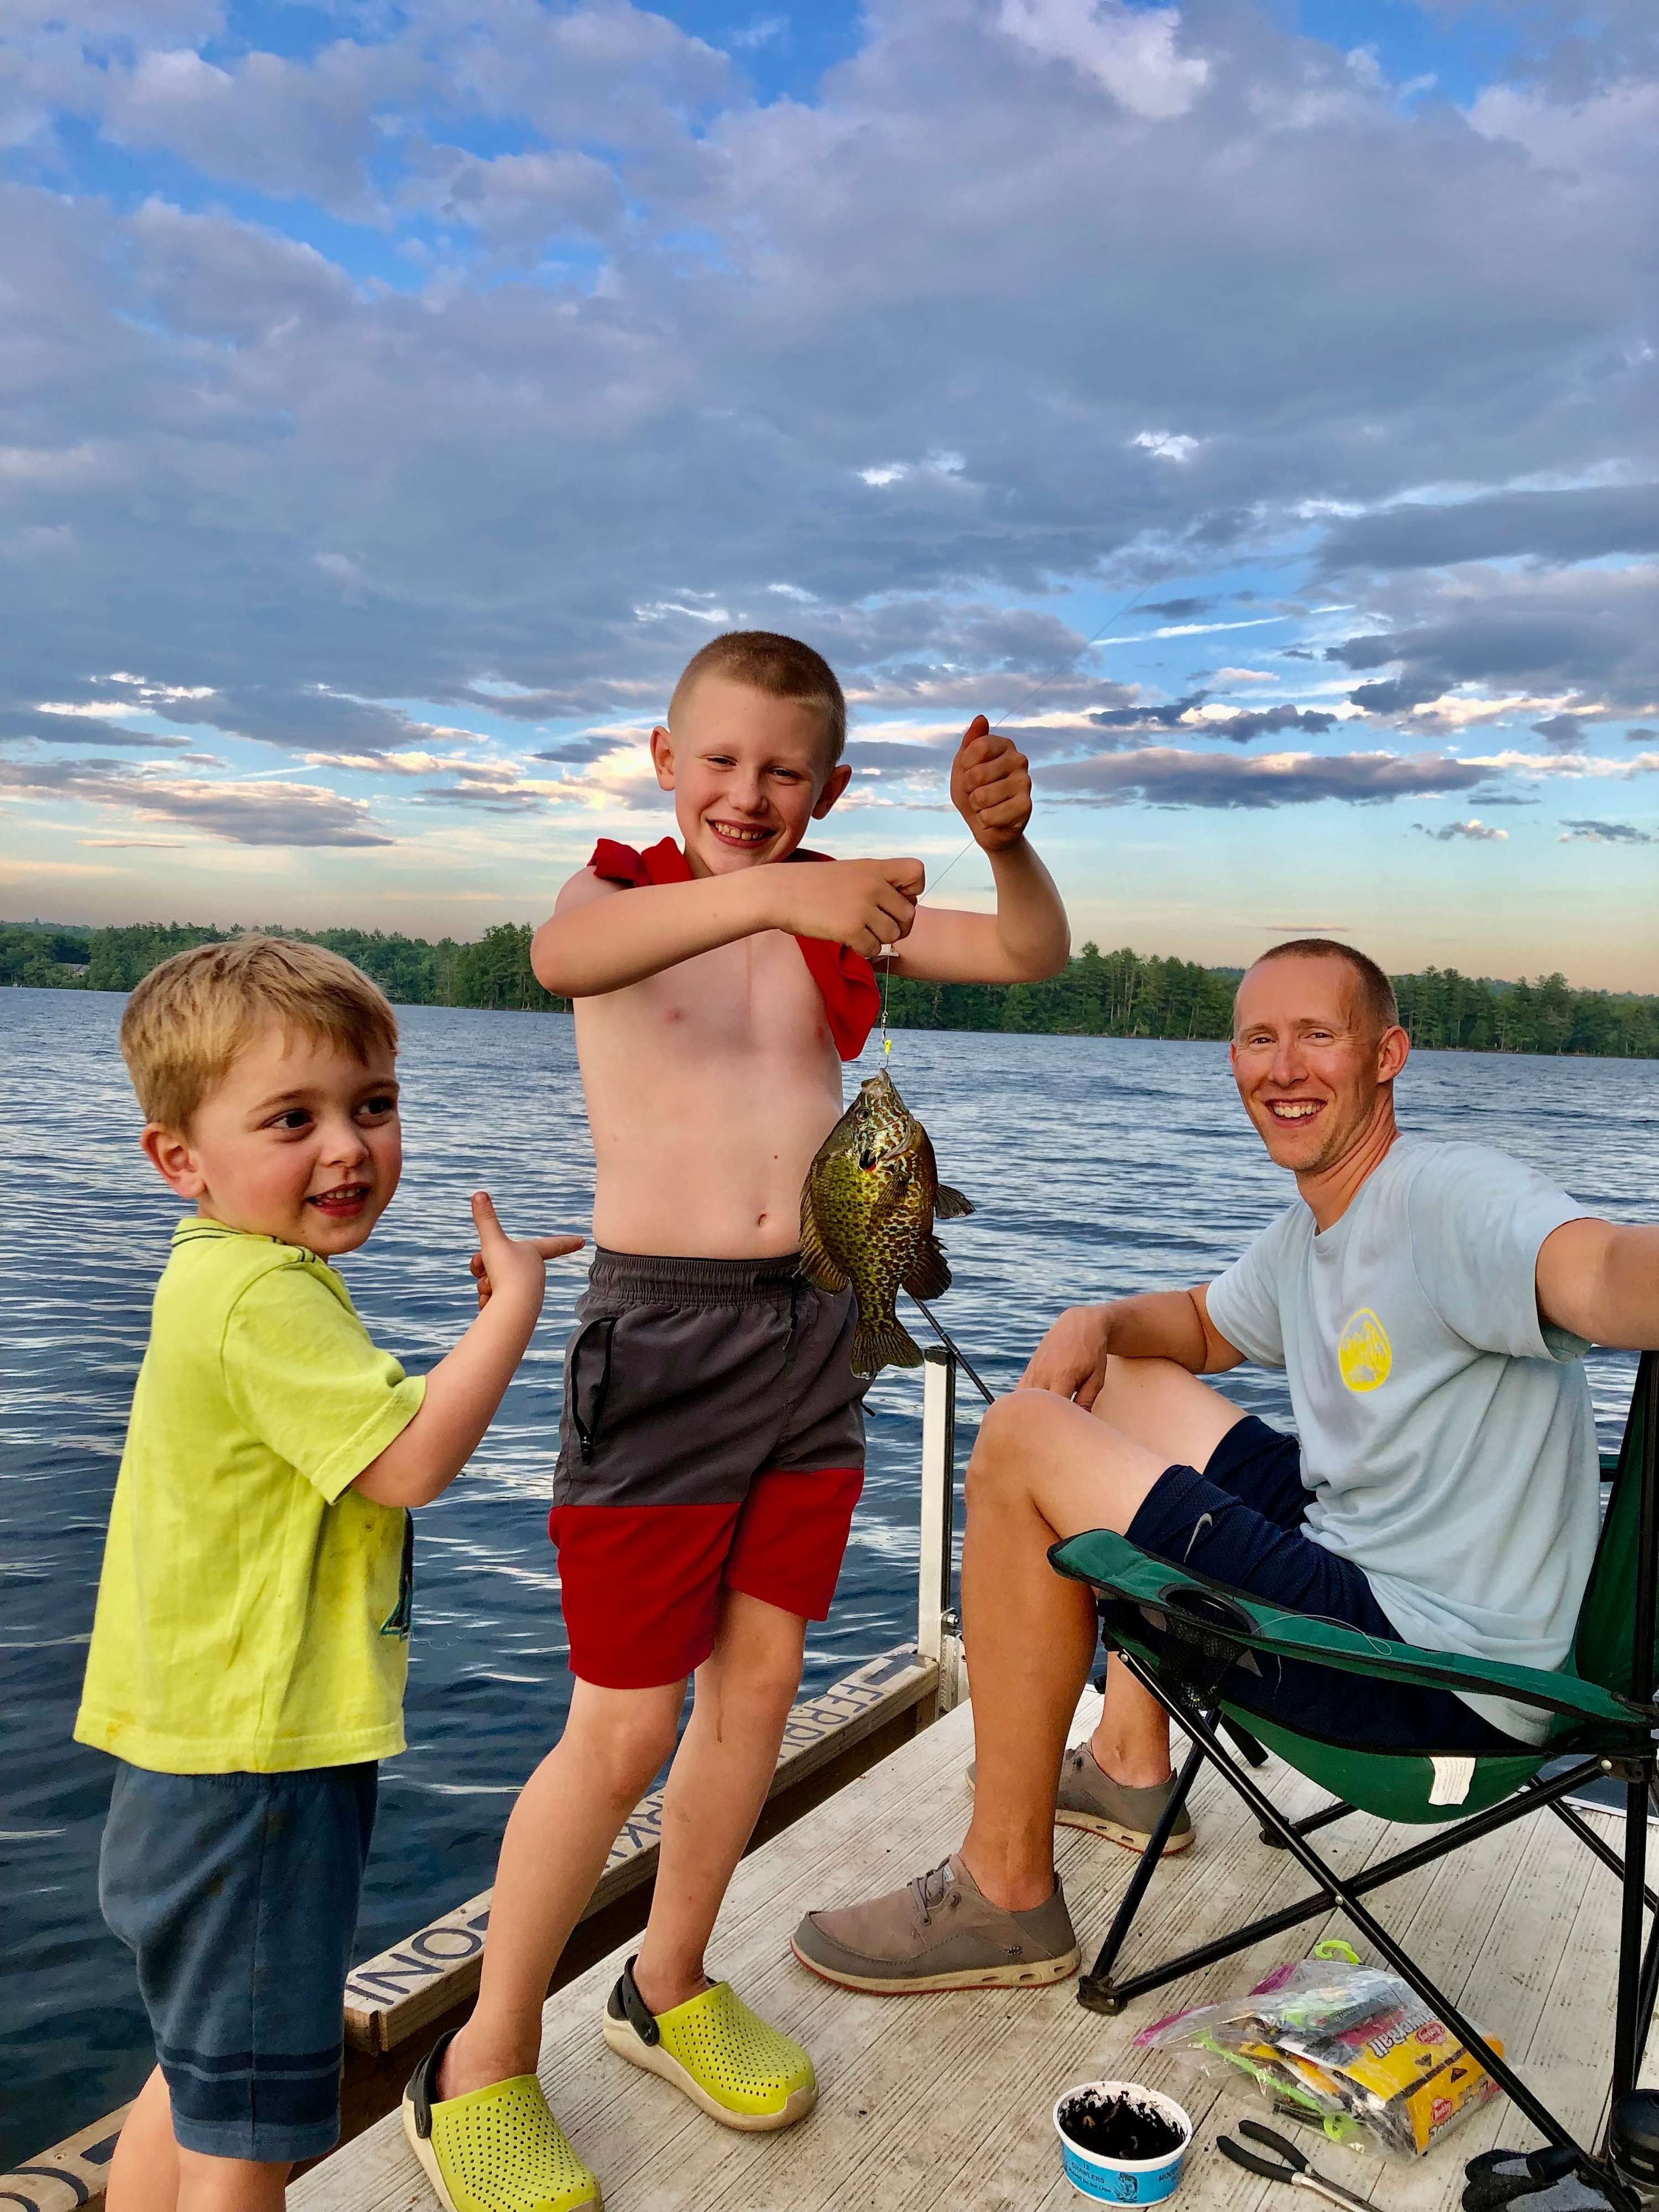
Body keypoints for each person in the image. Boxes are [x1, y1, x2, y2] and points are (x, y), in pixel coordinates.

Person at [406, 631, 1070, 2211]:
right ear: (661, 759)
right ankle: (479, 2062)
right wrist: (790, 890)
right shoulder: (620, 897)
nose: (749, 796)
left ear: (831, 785)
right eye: (719, 763)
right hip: (666, 1341)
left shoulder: (843, 922)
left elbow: (1035, 956)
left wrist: (1004, 845)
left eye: (785, 774)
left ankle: (667, 1981)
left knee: (757, 1690)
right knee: (624, 1722)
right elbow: (561, 966)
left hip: (817, 1331)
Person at [791, 936, 1659, 1995]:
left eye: (1317, 1036)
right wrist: (1095, 1317)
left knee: (1022, 1440)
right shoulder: (1321, 1229)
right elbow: (1202, 1326)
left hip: (1436, 1676)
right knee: (1117, 1380)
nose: (1283, 1068)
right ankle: (1128, 1764)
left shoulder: (1452, 1197)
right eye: (1259, 1039)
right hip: (1378, 1572)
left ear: (1388, 1054)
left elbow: (1608, 1273)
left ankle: (1005, 1890)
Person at [75, 936, 581, 2212]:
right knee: (250, 2129)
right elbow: (407, 1461)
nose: (347, 1146)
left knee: (201, 2068)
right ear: (178, 1157)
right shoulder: (266, 1298)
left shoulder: (223, 1274)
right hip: (257, 1770)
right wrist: (507, 1312)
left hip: (191, 1756)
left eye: (373, 1105)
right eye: (292, 1118)